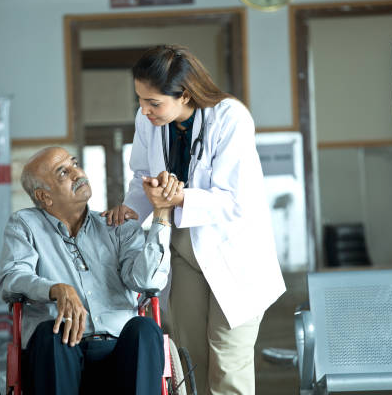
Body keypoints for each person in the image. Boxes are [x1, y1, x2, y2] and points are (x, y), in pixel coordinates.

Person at [103, 44, 286, 395]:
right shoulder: (148, 121)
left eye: (153, 102)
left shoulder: (230, 117)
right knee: (190, 359)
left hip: (233, 252)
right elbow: (142, 177)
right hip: (184, 248)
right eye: (140, 100)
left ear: (184, 94)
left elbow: (235, 200)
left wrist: (178, 197)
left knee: (228, 362)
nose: (144, 110)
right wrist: (128, 212)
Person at [0, 146, 183, 395]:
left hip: (120, 352)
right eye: (63, 172)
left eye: (74, 163)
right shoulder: (24, 225)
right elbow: (12, 277)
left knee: (145, 329)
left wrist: (161, 213)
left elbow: (149, 282)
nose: (78, 173)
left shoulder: (117, 226)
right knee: (50, 334)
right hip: (61, 352)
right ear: (44, 196)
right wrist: (55, 289)